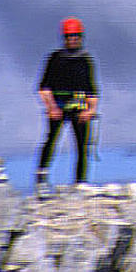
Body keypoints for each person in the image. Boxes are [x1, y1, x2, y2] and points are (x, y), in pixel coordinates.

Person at [36, 17, 98, 187]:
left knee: (82, 146)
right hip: (58, 104)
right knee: (51, 141)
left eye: (75, 37)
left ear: (80, 38)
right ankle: (42, 178)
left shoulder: (86, 60)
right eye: (69, 37)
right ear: (64, 38)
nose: (72, 40)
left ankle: (80, 182)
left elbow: (92, 89)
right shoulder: (55, 59)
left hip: (79, 106)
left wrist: (90, 110)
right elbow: (44, 87)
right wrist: (51, 107)